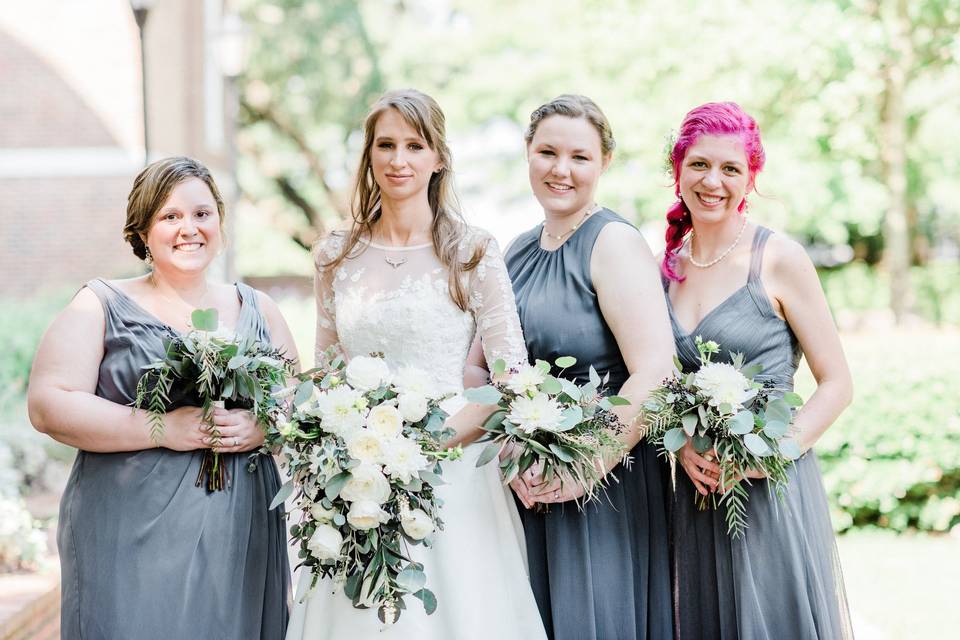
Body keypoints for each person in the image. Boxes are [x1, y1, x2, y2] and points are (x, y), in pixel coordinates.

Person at [285, 89, 546, 640]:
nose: (398, 160)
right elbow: (327, 375)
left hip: (452, 480)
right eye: (386, 145)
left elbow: (510, 381)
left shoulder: (472, 253)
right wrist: (348, 458)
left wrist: (417, 451)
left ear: (438, 157)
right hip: (358, 486)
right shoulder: (335, 255)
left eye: (414, 145)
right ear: (369, 156)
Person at [27, 156, 297, 639]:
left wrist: (261, 426)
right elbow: (50, 404)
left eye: (201, 213)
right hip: (128, 531)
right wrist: (166, 428)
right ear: (142, 230)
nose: (188, 228)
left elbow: (298, 405)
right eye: (169, 216)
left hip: (239, 534)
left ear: (219, 222)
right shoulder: (101, 303)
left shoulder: (260, 308)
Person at [468, 94, 676, 640]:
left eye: (579, 157)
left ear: (603, 162)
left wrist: (586, 463)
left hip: (606, 487)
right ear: (528, 155)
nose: (561, 170)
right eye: (548, 152)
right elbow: (479, 372)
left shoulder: (614, 243)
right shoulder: (512, 252)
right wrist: (514, 454)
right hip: (528, 482)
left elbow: (656, 368)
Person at [661, 101, 854, 639]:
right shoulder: (667, 267)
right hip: (700, 494)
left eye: (730, 169)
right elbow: (663, 383)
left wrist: (766, 456)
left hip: (770, 491)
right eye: (699, 164)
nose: (712, 181)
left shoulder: (778, 258)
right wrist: (681, 446)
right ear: (677, 169)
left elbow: (837, 383)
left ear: (750, 178)